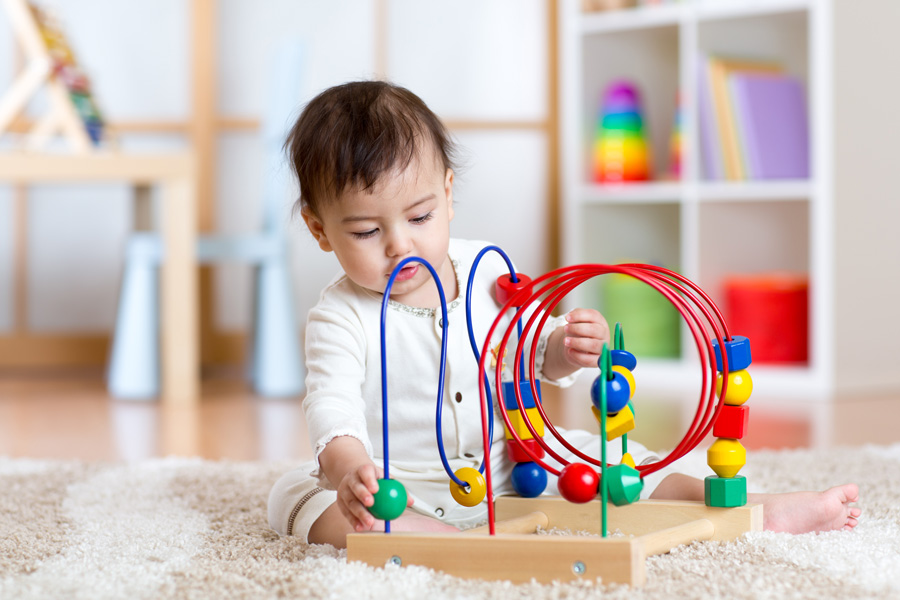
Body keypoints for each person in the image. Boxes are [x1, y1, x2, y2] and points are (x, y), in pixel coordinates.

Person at [268, 81, 860, 549]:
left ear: (449, 194)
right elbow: (333, 407)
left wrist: (564, 347)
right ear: (321, 231)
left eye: (419, 217)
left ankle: (756, 508)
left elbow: (527, 348)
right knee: (298, 498)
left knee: (615, 462)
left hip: (513, 470)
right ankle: (442, 542)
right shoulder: (339, 316)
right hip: (403, 489)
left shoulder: (484, 272)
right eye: (368, 231)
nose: (401, 245)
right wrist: (350, 470)